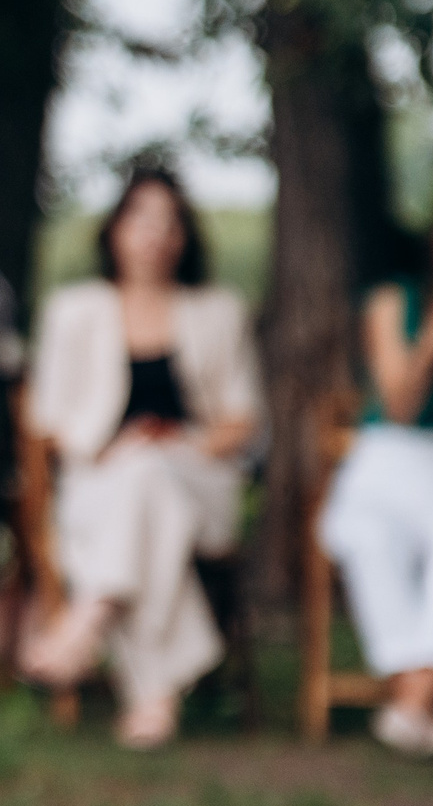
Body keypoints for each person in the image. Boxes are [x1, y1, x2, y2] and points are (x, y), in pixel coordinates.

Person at [20, 166, 261, 748]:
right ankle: (154, 694)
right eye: (141, 217)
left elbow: (243, 421)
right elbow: (46, 420)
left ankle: (89, 620)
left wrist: (181, 442)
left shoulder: (218, 311)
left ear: (186, 237)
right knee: (141, 481)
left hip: (195, 477)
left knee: (153, 474)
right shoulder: (75, 310)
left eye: (170, 221)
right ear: (114, 229)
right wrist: (112, 446)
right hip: (103, 477)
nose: (156, 234)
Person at [319, 167, 433, 757]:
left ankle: (414, 698)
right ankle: (423, 699)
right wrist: (431, 344)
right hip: (389, 459)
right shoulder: (392, 301)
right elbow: (397, 406)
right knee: (364, 535)